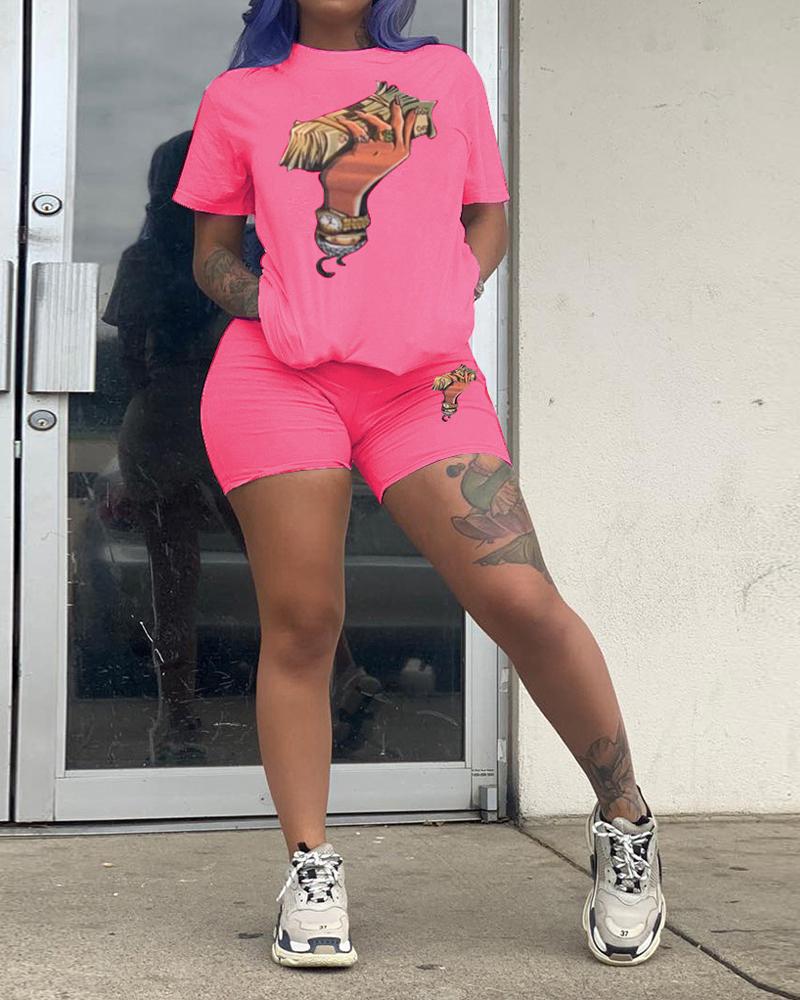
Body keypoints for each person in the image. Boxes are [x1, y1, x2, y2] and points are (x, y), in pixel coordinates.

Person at [172, 0, 666, 970]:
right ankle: (310, 867)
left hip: (424, 384)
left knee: (519, 597)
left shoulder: (444, 77)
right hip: (278, 379)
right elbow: (210, 253)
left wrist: (449, 289)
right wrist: (273, 305)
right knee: (303, 621)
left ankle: (624, 818)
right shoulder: (239, 97)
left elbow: (487, 214)